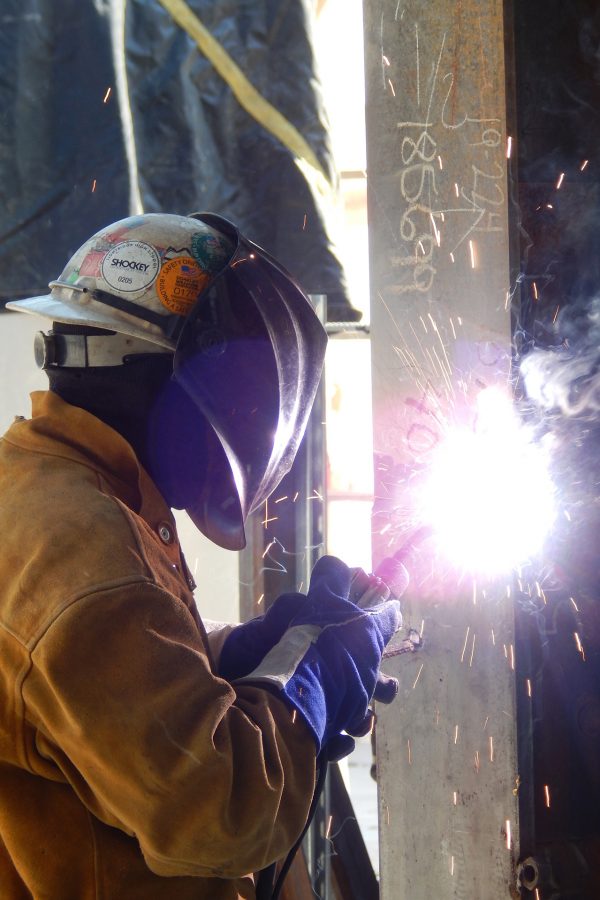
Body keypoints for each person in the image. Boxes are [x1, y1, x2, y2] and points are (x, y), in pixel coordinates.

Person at [0, 211, 401, 899]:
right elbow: (222, 811)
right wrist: (306, 680)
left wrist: (236, 654)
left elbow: (98, 701)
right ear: (193, 386)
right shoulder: (82, 554)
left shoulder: (51, 490)